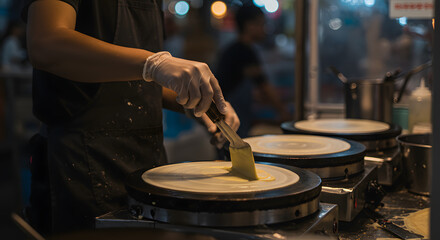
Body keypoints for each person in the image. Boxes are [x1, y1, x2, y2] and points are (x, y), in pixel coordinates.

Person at [23, 0, 239, 234]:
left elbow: (135, 80)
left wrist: (191, 101)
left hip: (146, 159)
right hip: (80, 163)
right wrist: (153, 64)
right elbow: (45, 44)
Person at [215, 4, 290, 138]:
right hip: (229, 119)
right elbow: (263, 85)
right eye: (261, 24)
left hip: (230, 117)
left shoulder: (237, 49)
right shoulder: (243, 52)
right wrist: (284, 113)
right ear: (249, 25)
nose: (264, 29)